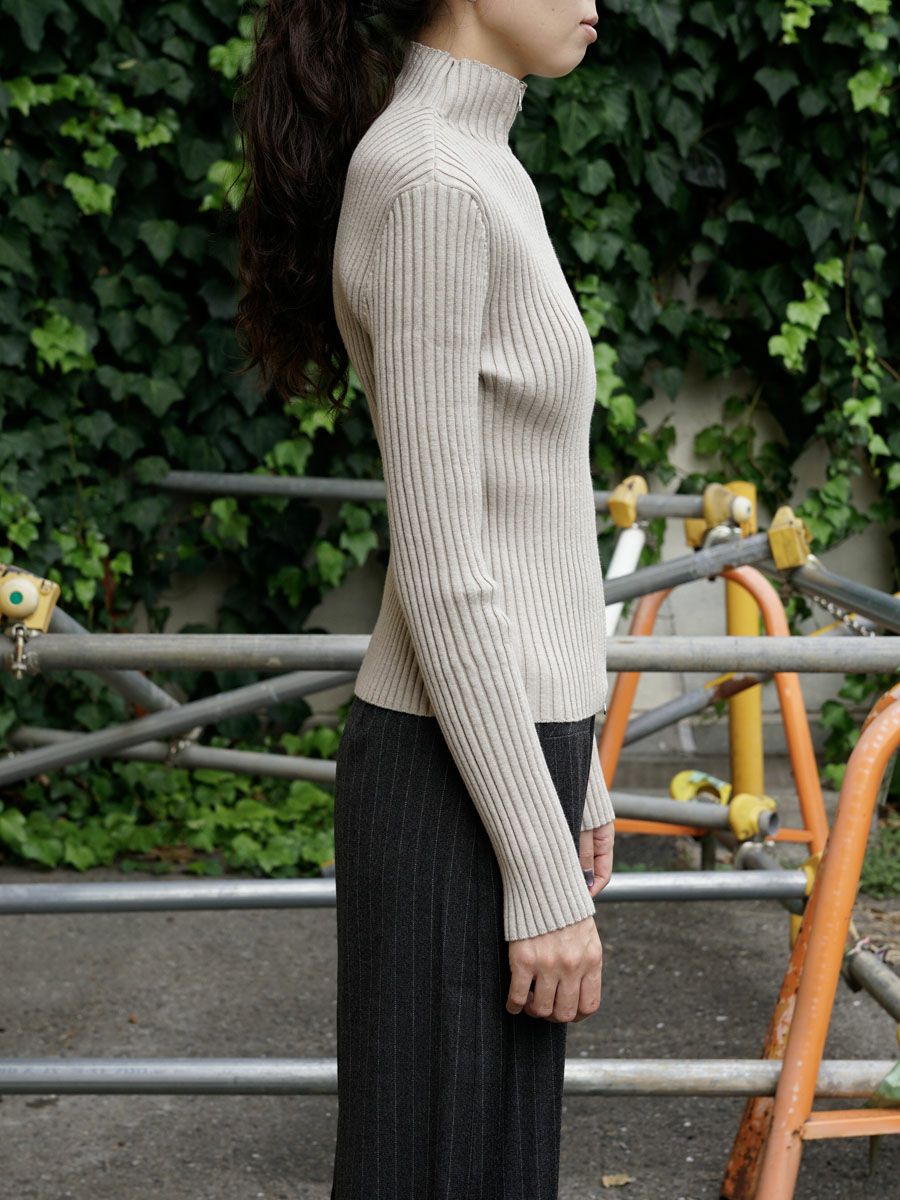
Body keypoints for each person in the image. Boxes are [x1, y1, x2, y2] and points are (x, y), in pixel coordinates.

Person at [233, 1, 614, 1196]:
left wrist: (579, 771)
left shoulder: (481, 162)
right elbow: (446, 567)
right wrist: (538, 869)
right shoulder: (431, 184)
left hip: (509, 754)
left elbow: (531, 511)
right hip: (451, 775)